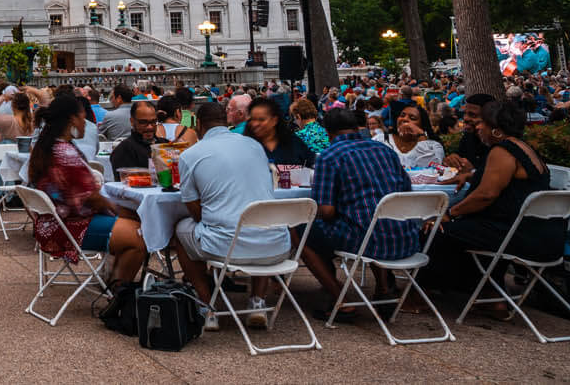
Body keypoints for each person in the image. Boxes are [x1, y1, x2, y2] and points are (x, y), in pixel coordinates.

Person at [422, 100, 564, 311]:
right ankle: (490, 294)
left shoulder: (502, 151)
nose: (478, 128)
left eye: (483, 124)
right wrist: (471, 176)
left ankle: (421, 295)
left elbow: (486, 195)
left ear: (496, 130)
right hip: (543, 233)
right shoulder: (523, 147)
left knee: (436, 231)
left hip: (518, 235)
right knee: (468, 228)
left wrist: (450, 214)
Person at [172, 101, 291, 330]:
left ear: (198, 124)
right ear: (226, 121)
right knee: (260, 222)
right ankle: (257, 300)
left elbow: (195, 212)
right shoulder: (255, 146)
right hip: (276, 247)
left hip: (226, 247)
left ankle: (207, 305)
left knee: (180, 231)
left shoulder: (191, 155)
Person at [296, 106, 415, 316]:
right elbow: (406, 192)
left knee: (299, 231)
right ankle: (383, 288)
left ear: (328, 132)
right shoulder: (385, 150)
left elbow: (326, 210)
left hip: (367, 242)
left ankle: (339, 297)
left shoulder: (329, 156)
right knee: (373, 218)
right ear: (355, 127)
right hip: (406, 239)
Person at [27, 94, 146, 284]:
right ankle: (119, 293)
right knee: (139, 236)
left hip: (52, 223)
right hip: (69, 228)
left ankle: (113, 282)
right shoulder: (65, 153)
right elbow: (91, 198)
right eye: (83, 118)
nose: (86, 122)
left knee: (131, 222)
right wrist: (116, 211)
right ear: (72, 119)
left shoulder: (47, 146)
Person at [247, 97, 316, 167]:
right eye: (252, 119)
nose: (255, 124)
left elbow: (311, 169)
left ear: (274, 120)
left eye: (261, 119)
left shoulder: (297, 144)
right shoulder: (247, 148)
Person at [387, 101, 446, 169]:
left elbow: (431, 170)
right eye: (402, 115)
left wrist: (421, 136)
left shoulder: (434, 146)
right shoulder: (382, 139)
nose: (405, 119)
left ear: (422, 125)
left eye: (412, 118)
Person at [108, 100, 162, 172]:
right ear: (132, 122)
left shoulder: (164, 145)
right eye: (143, 122)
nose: (150, 127)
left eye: (153, 122)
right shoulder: (124, 150)